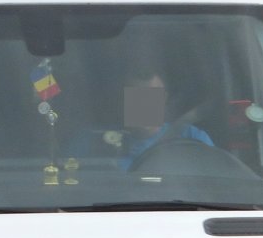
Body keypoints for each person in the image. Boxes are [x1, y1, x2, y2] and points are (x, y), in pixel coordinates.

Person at [68, 64, 213, 170]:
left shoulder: (192, 139)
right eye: (137, 96)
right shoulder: (90, 141)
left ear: (164, 98)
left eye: (152, 96)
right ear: (122, 100)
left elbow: (213, 184)